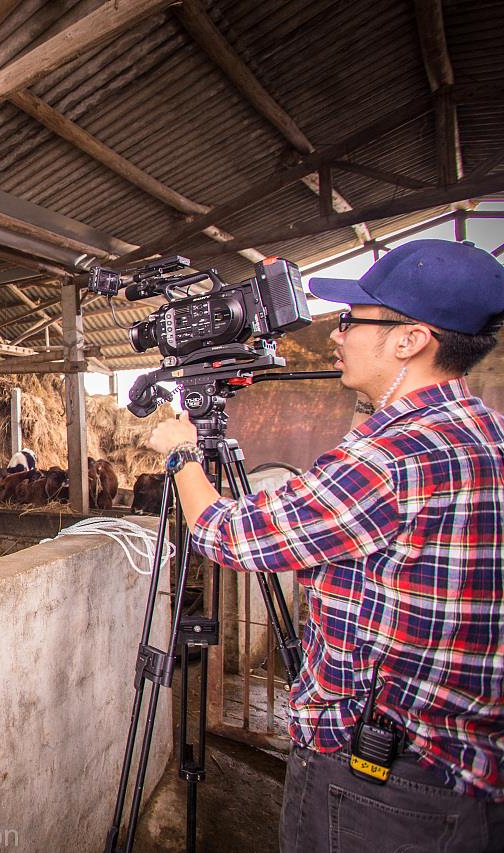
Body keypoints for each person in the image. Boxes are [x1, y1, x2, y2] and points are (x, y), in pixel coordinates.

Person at [146, 239, 504, 853]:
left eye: (349, 321)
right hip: (459, 770)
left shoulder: (394, 454)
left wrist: (181, 453)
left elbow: (227, 534)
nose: (335, 337)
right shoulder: (482, 428)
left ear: (409, 339)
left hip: (383, 786)